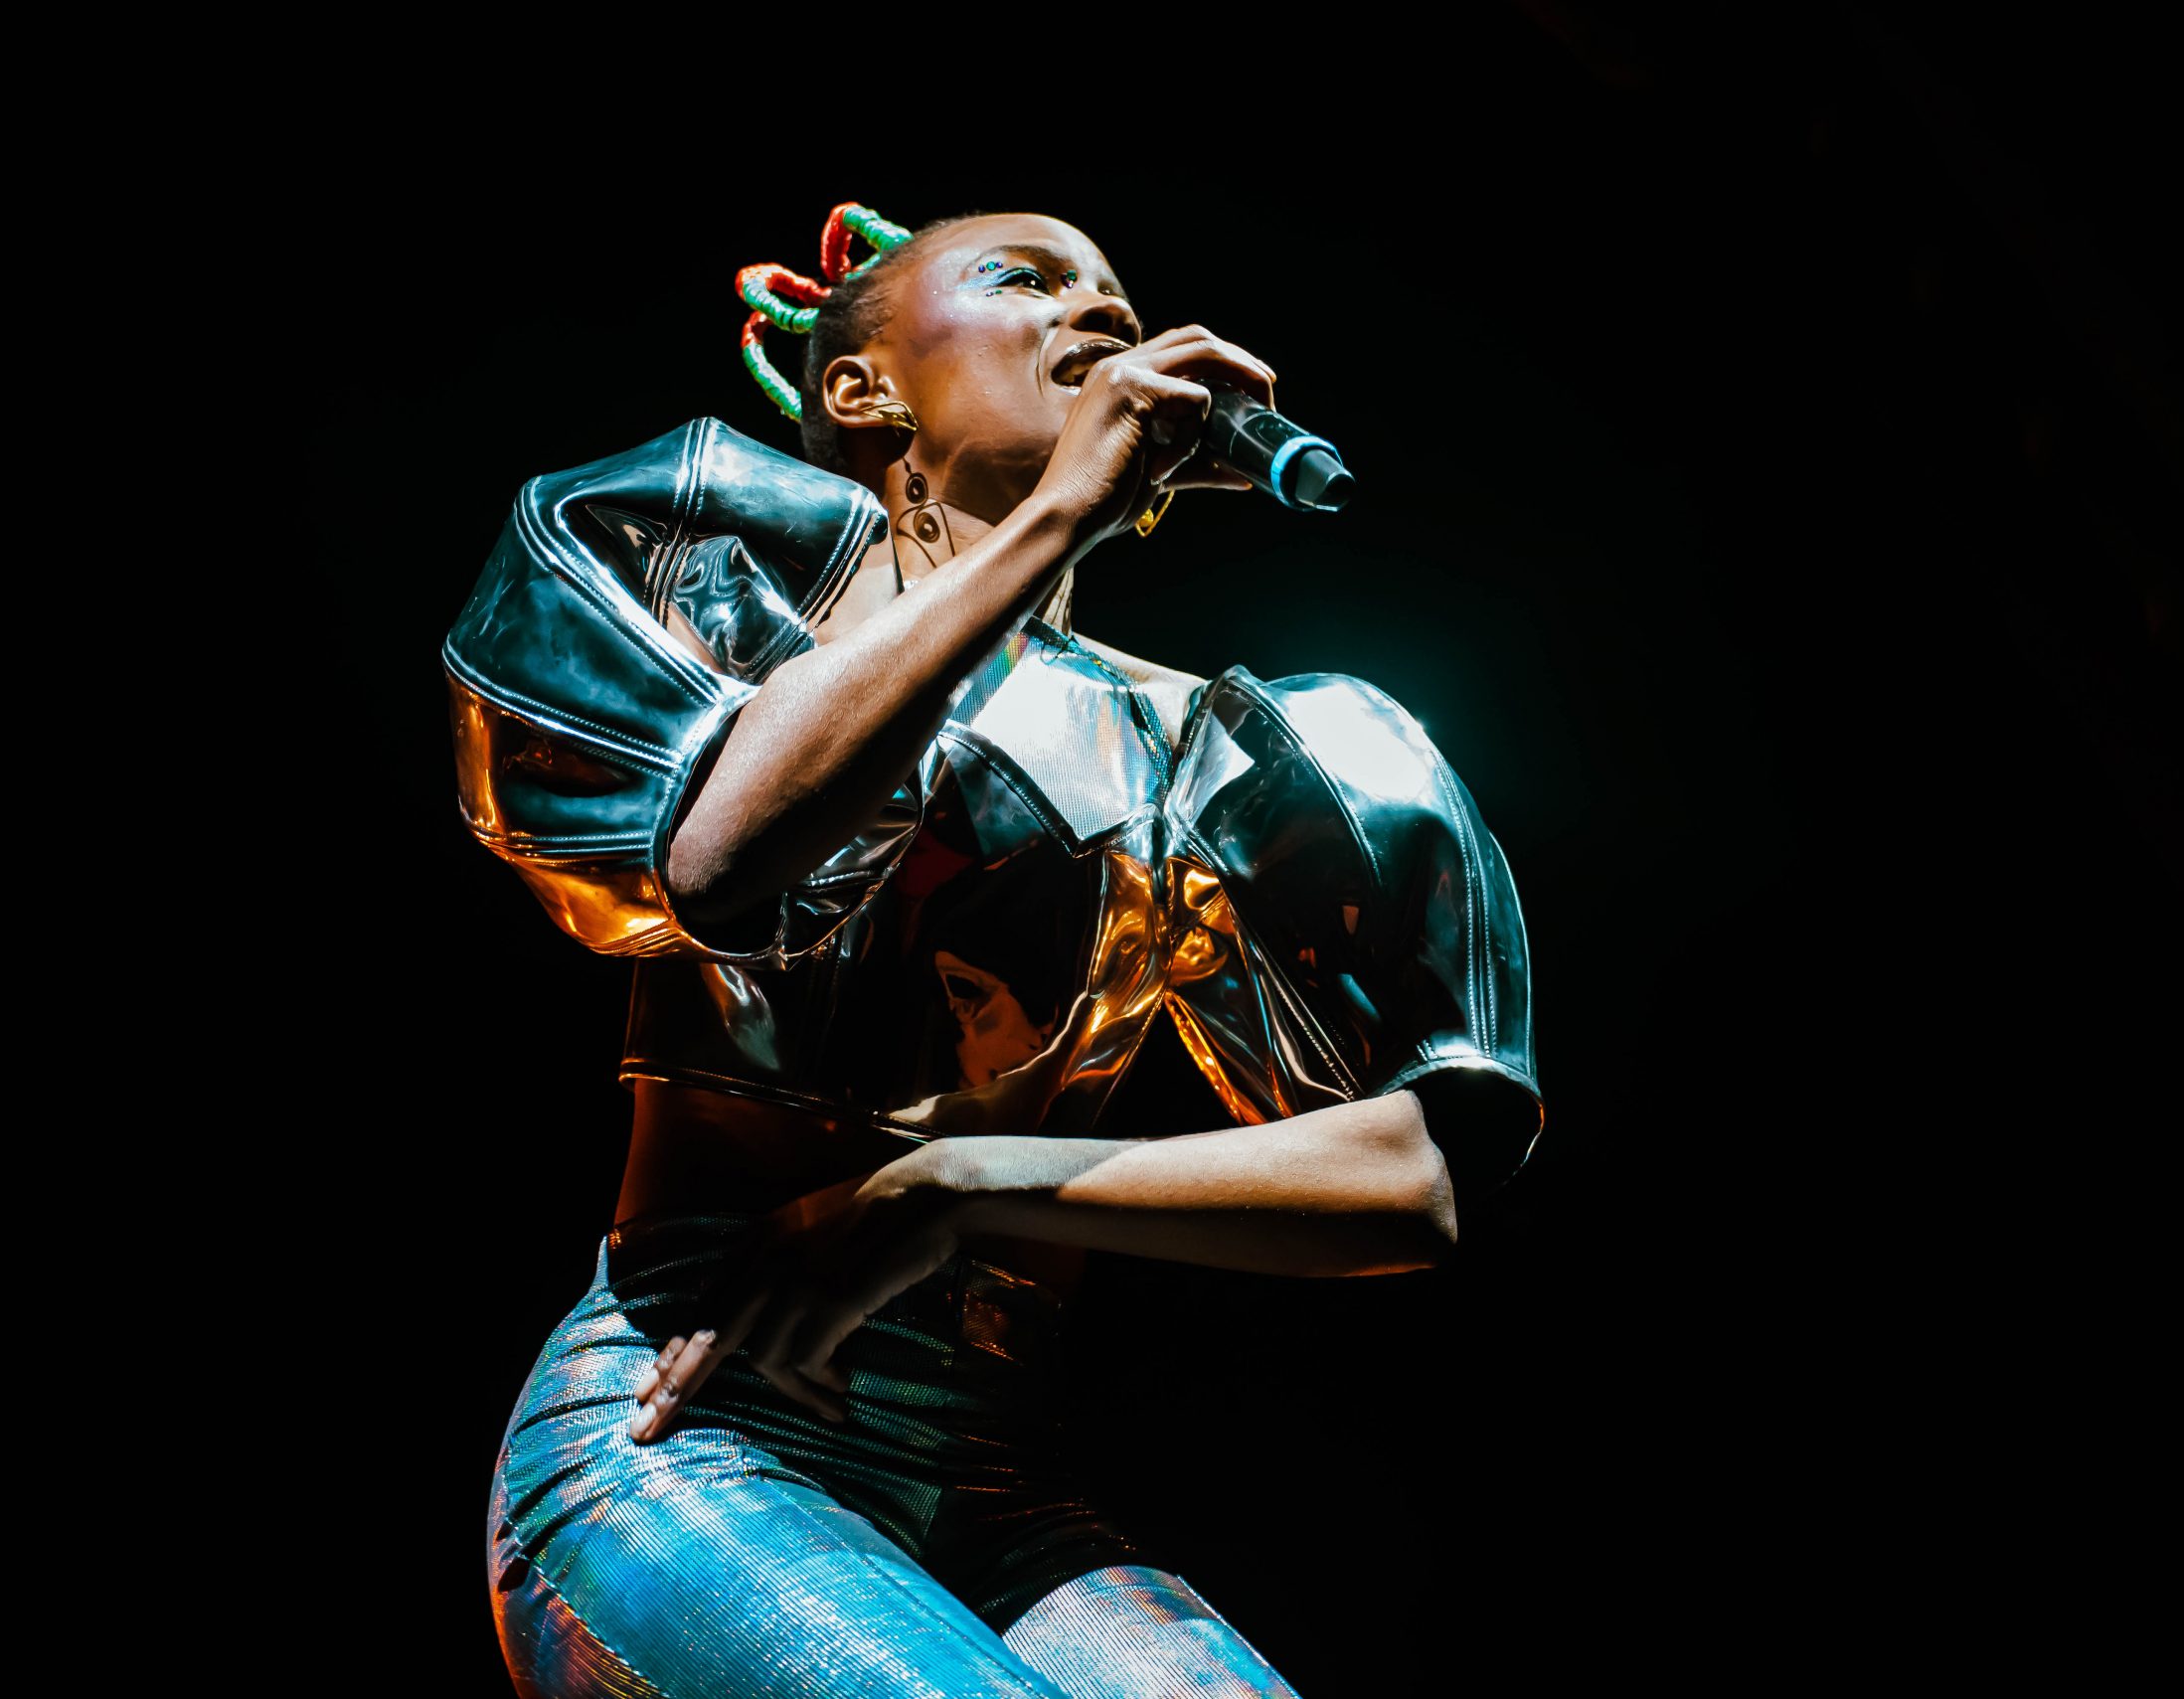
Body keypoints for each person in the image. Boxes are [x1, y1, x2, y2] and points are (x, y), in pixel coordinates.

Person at [447, 198, 1547, 1697]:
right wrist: (1053, 520)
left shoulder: (1205, 745)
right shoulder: (738, 579)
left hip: (994, 1477)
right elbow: (721, 860)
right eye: (1024, 281)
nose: (1096, 316)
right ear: (862, 388)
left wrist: (961, 1180)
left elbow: (1412, 1176)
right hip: (696, 1416)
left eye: (1117, 297)